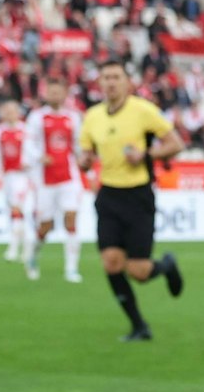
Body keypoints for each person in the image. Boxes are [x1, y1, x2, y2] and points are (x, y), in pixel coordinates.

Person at [79, 59, 185, 340]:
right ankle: (139, 326)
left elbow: (176, 144)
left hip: (138, 195)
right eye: (105, 77)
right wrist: (84, 161)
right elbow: (84, 156)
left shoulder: (143, 111)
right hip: (108, 195)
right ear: (99, 83)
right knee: (111, 263)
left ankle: (166, 266)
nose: (111, 82)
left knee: (138, 271)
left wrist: (146, 155)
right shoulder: (92, 117)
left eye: (116, 77)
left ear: (127, 82)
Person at [21, 74, 86, 283]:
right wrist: (39, 156)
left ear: (65, 94)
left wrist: (87, 166)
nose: (54, 94)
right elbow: (28, 143)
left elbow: (78, 146)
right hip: (46, 180)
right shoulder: (37, 117)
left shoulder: (73, 118)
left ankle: (71, 269)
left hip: (69, 177)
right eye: (51, 91)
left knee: (71, 219)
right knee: (46, 227)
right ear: (45, 94)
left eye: (58, 91)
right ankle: (32, 254)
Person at [0, 99, 30, 262]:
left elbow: (31, 151)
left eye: (12, 111)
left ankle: (13, 247)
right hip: (8, 176)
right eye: (6, 111)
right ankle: (25, 246)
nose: (9, 114)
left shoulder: (25, 130)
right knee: (14, 211)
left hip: (22, 176)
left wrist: (29, 165)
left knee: (17, 209)